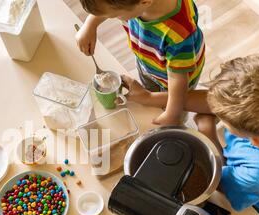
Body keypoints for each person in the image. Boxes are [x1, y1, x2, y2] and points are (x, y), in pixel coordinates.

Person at [123, 55, 259, 215]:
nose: (214, 109)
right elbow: (211, 101)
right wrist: (148, 97)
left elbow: (222, 186)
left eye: (223, 117)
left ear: (254, 140)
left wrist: (207, 130)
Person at [76, 0, 205, 125]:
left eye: (115, 16)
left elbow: (177, 82)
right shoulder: (135, 4)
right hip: (149, 63)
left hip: (177, 81)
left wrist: (172, 114)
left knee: (173, 109)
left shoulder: (179, 34)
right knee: (152, 101)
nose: (113, 17)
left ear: (145, 2)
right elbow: (108, 5)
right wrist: (90, 25)